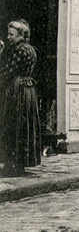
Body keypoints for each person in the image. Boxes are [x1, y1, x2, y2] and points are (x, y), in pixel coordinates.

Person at [0, 20, 42, 176]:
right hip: (27, 90)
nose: (8, 37)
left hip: (17, 91)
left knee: (13, 124)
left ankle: (13, 164)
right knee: (24, 125)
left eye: (11, 34)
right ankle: (20, 163)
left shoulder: (19, 50)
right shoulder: (30, 49)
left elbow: (7, 71)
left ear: (20, 35)